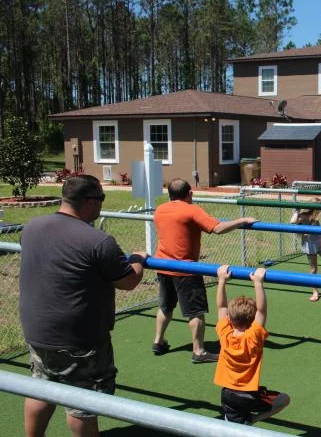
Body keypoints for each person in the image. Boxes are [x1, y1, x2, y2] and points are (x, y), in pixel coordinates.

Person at [19, 175, 147, 437]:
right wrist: (138, 259)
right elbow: (128, 282)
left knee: (41, 387)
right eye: (101, 199)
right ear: (89, 202)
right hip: (79, 341)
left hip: (37, 332)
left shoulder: (32, 227)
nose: (101, 205)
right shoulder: (97, 241)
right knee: (82, 404)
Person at [153, 178, 256, 363]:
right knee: (196, 312)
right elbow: (217, 228)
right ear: (189, 194)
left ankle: (158, 341)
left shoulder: (160, 210)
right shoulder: (192, 209)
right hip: (186, 269)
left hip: (162, 266)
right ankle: (199, 351)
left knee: (165, 306)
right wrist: (242, 220)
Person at [214, 265, 290, 425]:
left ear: (229, 317)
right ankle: (252, 419)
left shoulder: (224, 334)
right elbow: (262, 311)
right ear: (252, 319)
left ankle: (239, 422)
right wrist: (258, 283)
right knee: (284, 399)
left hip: (227, 395)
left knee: (232, 425)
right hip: (248, 395)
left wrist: (221, 281)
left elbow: (221, 306)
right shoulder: (253, 336)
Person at [290, 198, 321, 302]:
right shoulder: (304, 215)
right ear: (314, 208)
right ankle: (315, 291)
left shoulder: (316, 216)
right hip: (309, 244)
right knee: (313, 269)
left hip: (319, 242)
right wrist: (297, 211)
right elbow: (292, 222)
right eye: (319, 208)